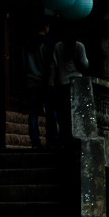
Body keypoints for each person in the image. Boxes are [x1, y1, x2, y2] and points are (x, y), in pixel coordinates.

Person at [49, 27, 90, 146]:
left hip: (62, 83)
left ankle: (63, 137)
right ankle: (72, 138)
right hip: (76, 82)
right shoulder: (79, 46)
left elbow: (53, 66)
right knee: (75, 112)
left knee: (63, 114)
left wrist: (51, 83)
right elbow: (85, 64)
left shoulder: (58, 47)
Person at [24, 20, 53, 148]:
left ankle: (35, 138)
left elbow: (24, 64)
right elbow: (50, 65)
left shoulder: (28, 44)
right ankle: (51, 138)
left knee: (33, 112)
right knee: (50, 112)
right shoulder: (48, 44)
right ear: (45, 27)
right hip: (44, 82)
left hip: (31, 82)